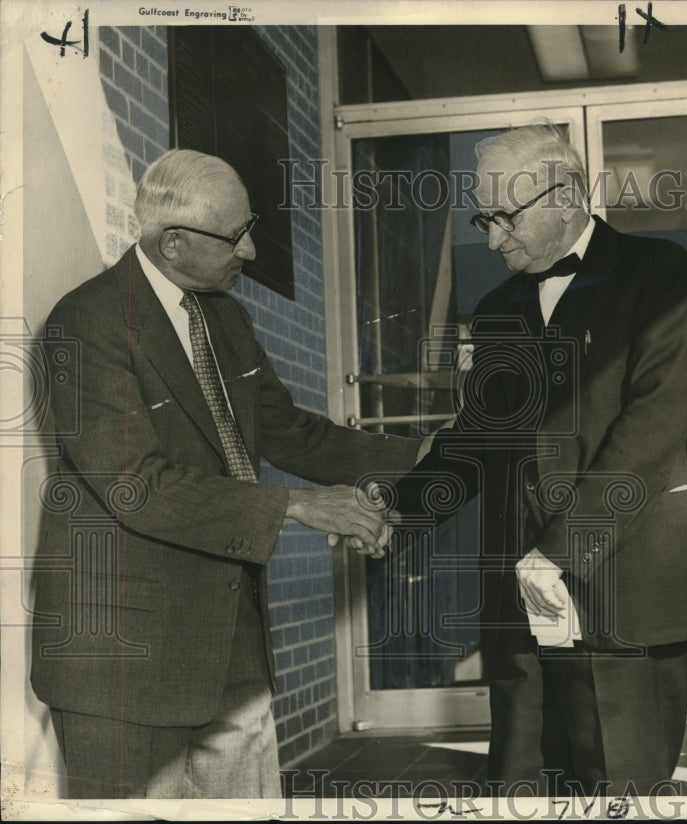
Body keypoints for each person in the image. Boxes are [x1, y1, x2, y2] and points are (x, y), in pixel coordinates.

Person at [30, 149, 419, 798]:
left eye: (250, 226)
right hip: (123, 661)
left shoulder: (226, 320)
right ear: (173, 242)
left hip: (230, 643)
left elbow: (290, 433)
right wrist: (299, 506)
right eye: (235, 235)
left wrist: (436, 456)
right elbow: (138, 485)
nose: (251, 250)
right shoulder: (88, 323)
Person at [387, 124, 687, 796]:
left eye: (502, 217)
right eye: (482, 219)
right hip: (523, 606)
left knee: (621, 789)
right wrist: (397, 508)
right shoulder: (496, 308)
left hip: (628, 586)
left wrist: (562, 549)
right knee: (520, 787)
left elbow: (653, 424)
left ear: (564, 196)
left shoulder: (657, 271)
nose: (490, 238)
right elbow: (478, 437)